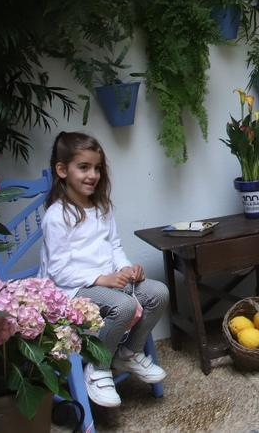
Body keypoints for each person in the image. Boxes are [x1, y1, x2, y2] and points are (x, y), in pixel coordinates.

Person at [40, 132, 168, 409]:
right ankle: (98, 367)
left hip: (105, 284)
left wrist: (126, 268)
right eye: (83, 167)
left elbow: (114, 246)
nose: (92, 175)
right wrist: (103, 279)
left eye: (97, 168)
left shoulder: (101, 207)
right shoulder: (57, 216)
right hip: (71, 289)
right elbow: (59, 271)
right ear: (62, 170)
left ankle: (128, 352)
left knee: (158, 292)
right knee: (122, 306)